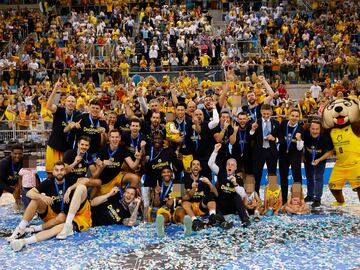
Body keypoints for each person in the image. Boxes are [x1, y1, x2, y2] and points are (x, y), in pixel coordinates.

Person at [8, 161, 91, 250]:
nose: (59, 172)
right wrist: (42, 197)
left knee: (81, 187)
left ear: (65, 171)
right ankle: (21, 228)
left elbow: (85, 180)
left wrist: (70, 188)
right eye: (57, 170)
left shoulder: (71, 179)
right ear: (53, 172)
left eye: (62, 170)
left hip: (75, 216)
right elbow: (29, 193)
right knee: (36, 199)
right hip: (54, 214)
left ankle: (25, 241)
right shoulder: (49, 181)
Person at [182, 160, 232, 231]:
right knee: (184, 203)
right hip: (190, 208)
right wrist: (193, 189)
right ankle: (195, 221)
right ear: (190, 168)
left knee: (211, 195)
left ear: (200, 168)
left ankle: (212, 216)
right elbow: (183, 199)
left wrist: (209, 183)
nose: (196, 166)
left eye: (198, 165)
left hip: (201, 206)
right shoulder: (183, 179)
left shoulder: (204, 179)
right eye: (193, 165)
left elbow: (216, 195)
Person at [208, 144, 250, 227]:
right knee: (216, 199)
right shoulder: (221, 172)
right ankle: (223, 222)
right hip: (222, 205)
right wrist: (215, 151)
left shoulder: (238, 178)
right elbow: (210, 164)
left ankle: (245, 219)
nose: (230, 166)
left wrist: (235, 184)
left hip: (233, 206)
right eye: (228, 164)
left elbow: (243, 195)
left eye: (232, 165)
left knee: (237, 197)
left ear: (235, 168)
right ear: (226, 166)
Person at [90, 129, 142, 197]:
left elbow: (133, 166)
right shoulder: (103, 149)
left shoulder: (123, 149)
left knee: (135, 178)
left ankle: (128, 199)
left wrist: (137, 159)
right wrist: (102, 165)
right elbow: (95, 175)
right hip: (104, 181)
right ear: (109, 138)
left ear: (120, 138)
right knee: (94, 197)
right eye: (113, 137)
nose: (115, 139)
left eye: (117, 137)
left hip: (117, 177)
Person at [45, 80, 80, 175]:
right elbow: (48, 106)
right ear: (65, 102)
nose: (70, 103)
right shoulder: (59, 110)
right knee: (51, 173)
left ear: (75, 104)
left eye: (73, 101)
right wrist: (55, 89)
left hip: (66, 149)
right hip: (54, 146)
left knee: (64, 173)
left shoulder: (78, 115)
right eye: (69, 101)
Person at [152, 167, 192, 238]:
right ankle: (161, 229)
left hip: (175, 208)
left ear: (171, 174)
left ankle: (187, 226)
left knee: (181, 212)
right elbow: (156, 204)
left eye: (168, 172)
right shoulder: (158, 185)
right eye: (164, 172)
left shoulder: (177, 183)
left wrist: (174, 198)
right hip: (164, 209)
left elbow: (184, 198)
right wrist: (157, 193)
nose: (166, 174)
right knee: (163, 216)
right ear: (161, 174)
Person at [249, 104, 280, 193]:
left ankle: (273, 195)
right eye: (264, 114)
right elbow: (250, 138)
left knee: (272, 175)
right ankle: (255, 195)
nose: (266, 116)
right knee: (257, 175)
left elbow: (280, 137)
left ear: (271, 112)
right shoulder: (255, 123)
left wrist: (275, 139)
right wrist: (252, 130)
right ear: (261, 112)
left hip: (271, 152)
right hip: (259, 152)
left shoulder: (276, 123)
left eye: (268, 114)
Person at [304, 120, 334, 207]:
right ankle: (310, 195)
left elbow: (330, 152)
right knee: (309, 177)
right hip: (308, 158)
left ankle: (317, 199)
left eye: (317, 129)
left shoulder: (325, 137)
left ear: (320, 129)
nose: (314, 131)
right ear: (310, 128)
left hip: (320, 159)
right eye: (313, 129)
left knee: (318, 178)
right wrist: (302, 155)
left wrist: (319, 160)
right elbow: (301, 145)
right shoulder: (305, 134)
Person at [278, 109, 304, 203]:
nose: (294, 118)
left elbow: (300, 148)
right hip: (283, 155)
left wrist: (299, 140)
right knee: (283, 177)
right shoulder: (283, 123)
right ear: (289, 115)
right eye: (292, 115)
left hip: (295, 156)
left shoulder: (301, 129)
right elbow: (279, 135)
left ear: (299, 117)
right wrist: (279, 142)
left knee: (297, 178)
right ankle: (284, 199)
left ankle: (297, 199)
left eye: (296, 116)